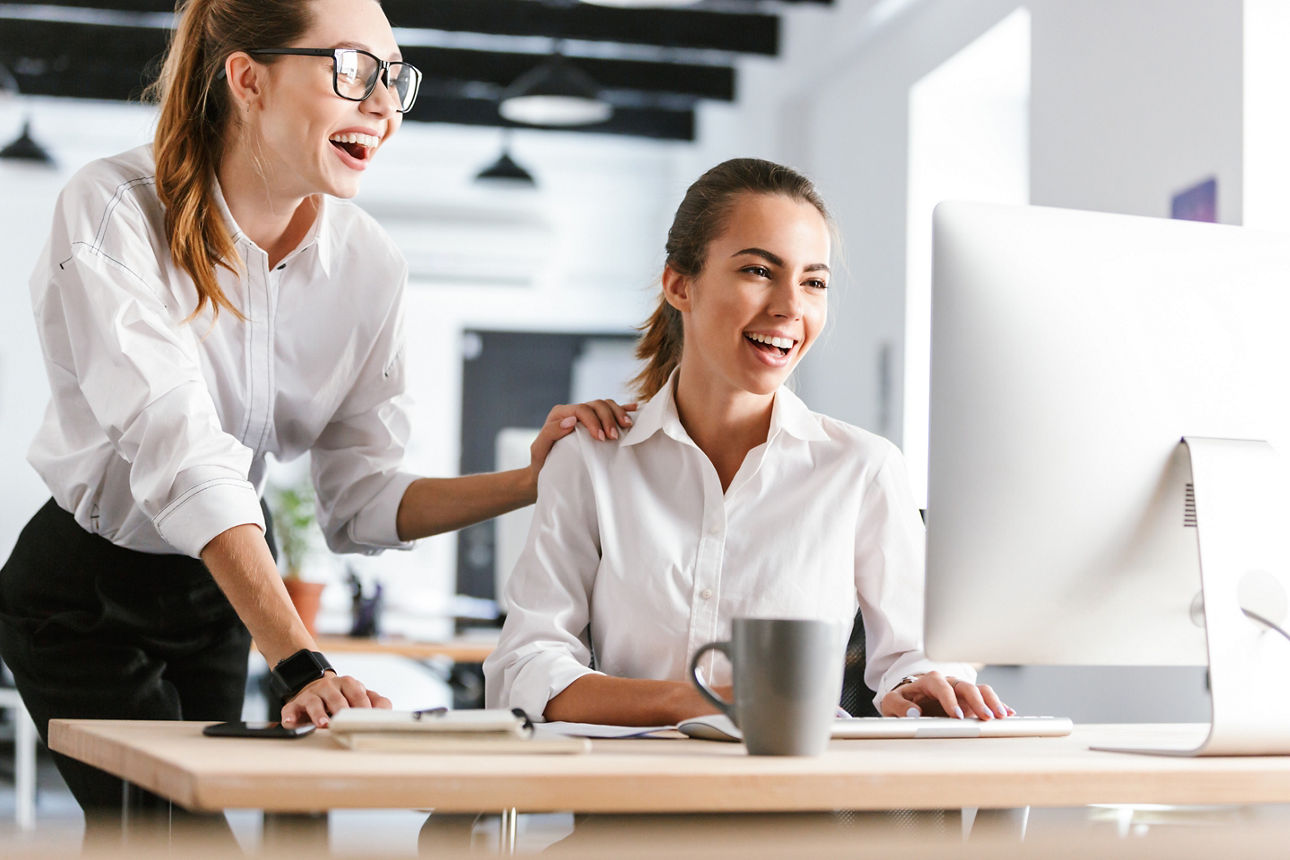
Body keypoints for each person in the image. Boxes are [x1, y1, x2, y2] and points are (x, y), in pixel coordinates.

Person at [0, 0, 632, 815]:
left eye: (394, 80)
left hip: (218, 597)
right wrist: (301, 661)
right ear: (248, 79)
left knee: (182, 832)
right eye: (351, 71)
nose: (382, 106)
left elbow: (361, 503)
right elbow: (180, 448)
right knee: (165, 834)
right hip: (81, 593)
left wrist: (532, 480)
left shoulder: (369, 268)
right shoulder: (115, 211)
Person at [484, 158, 1011, 725]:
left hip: (795, 804)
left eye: (813, 282)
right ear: (679, 285)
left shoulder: (862, 467)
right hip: (628, 802)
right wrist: (701, 705)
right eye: (759, 271)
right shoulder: (592, 458)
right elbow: (523, 668)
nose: (790, 306)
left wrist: (922, 685)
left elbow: (918, 654)